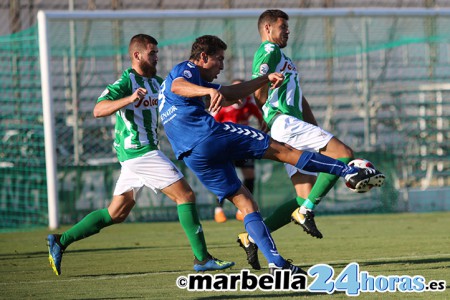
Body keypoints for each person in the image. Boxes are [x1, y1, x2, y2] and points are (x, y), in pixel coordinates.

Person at [158, 35, 384, 274]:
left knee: (245, 202)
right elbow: (178, 86)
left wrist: (263, 79)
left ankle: (277, 263)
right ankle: (349, 170)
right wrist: (207, 91)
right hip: (209, 135)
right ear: (203, 57)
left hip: (191, 154)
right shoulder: (186, 69)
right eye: (219, 59)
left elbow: (231, 93)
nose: (222, 66)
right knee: (284, 151)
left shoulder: (193, 83)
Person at [46, 34, 234, 276]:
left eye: (157, 52)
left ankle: (60, 241)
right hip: (140, 152)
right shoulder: (126, 81)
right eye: (152, 53)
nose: (157, 57)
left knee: (116, 213)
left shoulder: (158, 83)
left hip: (137, 157)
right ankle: (202, 259)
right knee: (185, 195)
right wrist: (129, 99)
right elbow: (97, 109)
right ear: (137, 55)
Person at [236, 9, 386, 270]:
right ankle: (306, 212)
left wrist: (313, 126)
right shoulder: (269, 51)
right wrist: (267, 111)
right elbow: (258, 83)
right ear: (268, 29)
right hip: (284, 123)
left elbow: (299, 98)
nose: (288, 31)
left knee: (303, 195)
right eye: (283, 27)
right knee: (344, 154)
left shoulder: (284, 58)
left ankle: (251, 237)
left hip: (292, 125)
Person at [212, 79, 265, 223]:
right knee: (225, 177)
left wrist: (262, 130)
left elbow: (261, 118)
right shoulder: (223, 106)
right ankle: (219, 209)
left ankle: (242, 210)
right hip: (226, 146)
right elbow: (213, 124)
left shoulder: (248, 105)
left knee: (250, 175)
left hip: (243, 146)